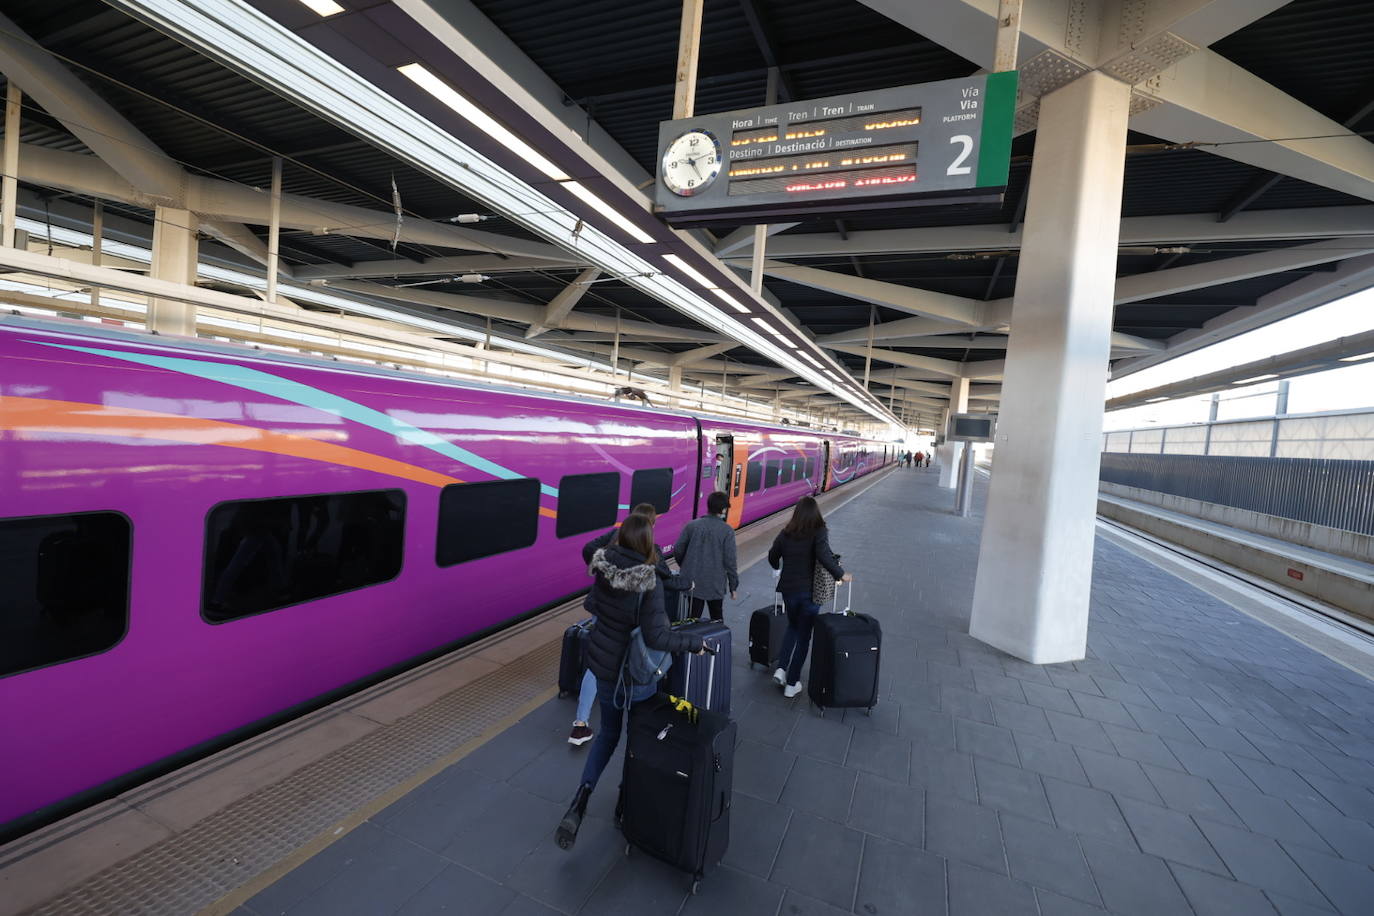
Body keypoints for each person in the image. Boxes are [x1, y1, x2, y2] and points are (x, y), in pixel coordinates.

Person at [555, 514, 706, 850]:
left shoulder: (603, 568)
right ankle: (625, 804)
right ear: (648, 543)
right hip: (637, 678)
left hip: (606, 672)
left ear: (620, 538)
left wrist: (617, 531)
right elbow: (658, 636)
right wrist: (694, 644)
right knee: (637, 741)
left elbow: (591, 550)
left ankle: (581, 799)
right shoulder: (648, 580)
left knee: (608, 734)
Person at [568, 503, 683, 747]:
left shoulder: (614, 536)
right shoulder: (651, 549)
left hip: (602, 613)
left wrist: (602, 566)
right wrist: (688, 585)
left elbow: (589, 548)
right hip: (628, 621)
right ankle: (634, 720)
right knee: (630, 659)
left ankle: (580, 723)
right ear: (650, 525)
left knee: (598, 661)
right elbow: (665, 578)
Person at [767, 496, 852, 698]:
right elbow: (824, 555)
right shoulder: (819, 531)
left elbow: (772, 556)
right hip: (809, 593)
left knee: (792, 627)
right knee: (804, 636)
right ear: (816, 513)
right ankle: (792, 683)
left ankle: (781, 669)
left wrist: (778, 568)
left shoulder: (786, 533)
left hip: (788, 590)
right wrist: (841, 574)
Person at [672, 491, 739, 621]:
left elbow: (678, 549)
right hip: (715, 583)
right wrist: (733, 586)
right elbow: (730, 561)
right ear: (723, 509)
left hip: (692, 582)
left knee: (692, 618)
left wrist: (686, 565)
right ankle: (718, 640)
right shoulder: (727, 531)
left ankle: (691, 640)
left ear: (708, 506)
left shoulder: (691, 525)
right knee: (717, 617)